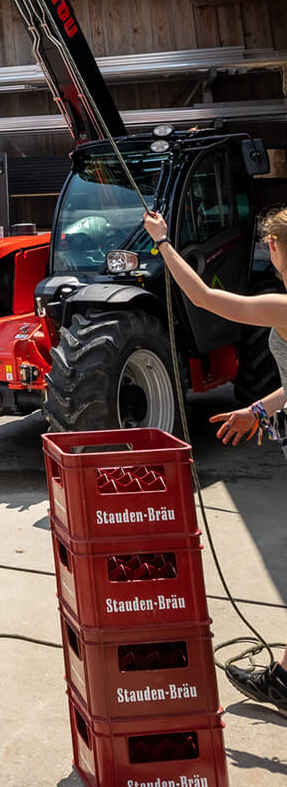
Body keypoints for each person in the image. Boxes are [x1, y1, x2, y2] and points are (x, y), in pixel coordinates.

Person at [143, 204, 287, 715]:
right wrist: (259, 408)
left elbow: (205, 298)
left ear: (273, 248)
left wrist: (162, 242)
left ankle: (285, 683)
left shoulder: (282, 307)